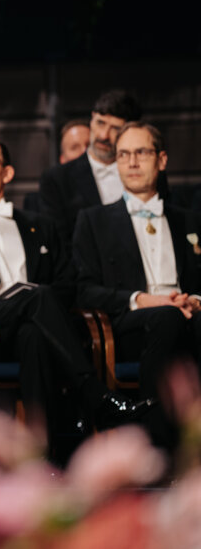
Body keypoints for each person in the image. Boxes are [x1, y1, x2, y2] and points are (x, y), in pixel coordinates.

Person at [0, 133, 149, 446]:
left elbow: (67, 284)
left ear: (7, 173)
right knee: (38, 296)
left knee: (33, 333)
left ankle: (41, 453)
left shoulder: (39, 225)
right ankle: (93, 393)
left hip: (35, 328)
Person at [73, 122, 201, 446]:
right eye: (123, 154)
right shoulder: (93, 220)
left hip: (187, 316)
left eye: (141, 152)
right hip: (130, 326)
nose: (132, 162)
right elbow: (83, 290)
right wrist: (143, 299)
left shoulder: (189, 219)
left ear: (162, 160)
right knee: (166, 318)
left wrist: (196, 300)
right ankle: (156, 444)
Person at [39, 91, 144, 241]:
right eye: (100, 123)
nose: (103, 135)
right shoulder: (57, 179)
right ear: (92, 118)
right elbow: (58, 243)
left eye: (115, 128)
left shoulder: (147, 174)